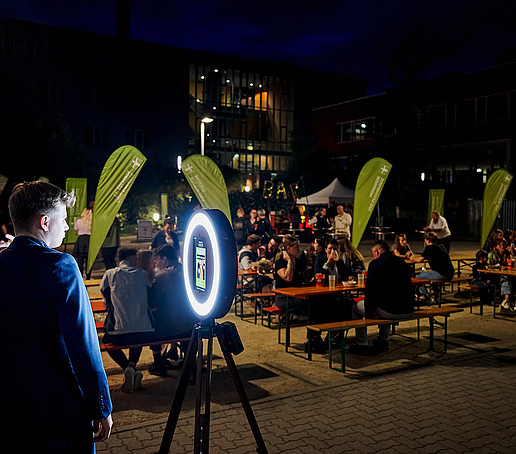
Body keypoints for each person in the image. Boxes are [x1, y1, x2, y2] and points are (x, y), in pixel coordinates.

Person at [0, 181, 112, 452]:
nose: (66, 226)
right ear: (45, 221)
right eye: (63, 219)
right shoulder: (59, 265)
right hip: (56, 405)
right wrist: (101, 405)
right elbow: (82, 343)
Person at [101, 248, 155, 392]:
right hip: (145, 332)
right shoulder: (142, 274)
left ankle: (128, 368)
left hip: (119, 334)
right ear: (132, 259)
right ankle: (132, 367)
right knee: (137, 332)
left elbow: (105, 296)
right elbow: (150, 295)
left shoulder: (110, 274)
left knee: (106, 342)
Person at [349, 240, 414, 355]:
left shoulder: (375, 264)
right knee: (386, 301)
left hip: (391, 311)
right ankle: (383, 340)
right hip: (408, 309)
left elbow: (370, 291)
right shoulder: (401, 262)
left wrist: (369, 314)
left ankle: (362, 343)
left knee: (356, 307)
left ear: (377, 252)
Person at [148, 245, 197, 375]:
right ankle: (188, 360)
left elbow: (152, 301)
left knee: (150, 322)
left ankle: (158, 363)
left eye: (157, 260)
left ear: (164, 259)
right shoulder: (189, 272)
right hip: (192, 324)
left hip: (171, 327)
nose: (156, 264)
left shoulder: (162, 277)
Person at [413, 231, 455, 301]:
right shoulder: (441, 246)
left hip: (441, 274)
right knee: (430, 276)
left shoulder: (429, 248)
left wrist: (411, 257)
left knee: (416, 277)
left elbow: (418, 260)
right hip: (450, 274)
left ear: (428, 241)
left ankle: (426, 296)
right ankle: (436, 297)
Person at [487, 239, 514, 312]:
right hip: (494, 276)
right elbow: (487, 267)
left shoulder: (506, 254)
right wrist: (496, 267)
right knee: (506, 280)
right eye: (500, 245)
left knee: (510, 279)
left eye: (503, 245)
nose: (502, 247)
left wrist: (512, 252)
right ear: (495, 246)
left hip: (505, 275)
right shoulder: (491, 254)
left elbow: (512, 262)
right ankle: (505, 304)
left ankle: (507, 303)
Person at [73, 201, 94, 279]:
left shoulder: (78, 221)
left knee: (80, 260)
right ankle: (88, 276)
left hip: (81, 240)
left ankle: (80, 276)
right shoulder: (92, 222)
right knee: (89, 261)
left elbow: (76, 230)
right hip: (89, 240)